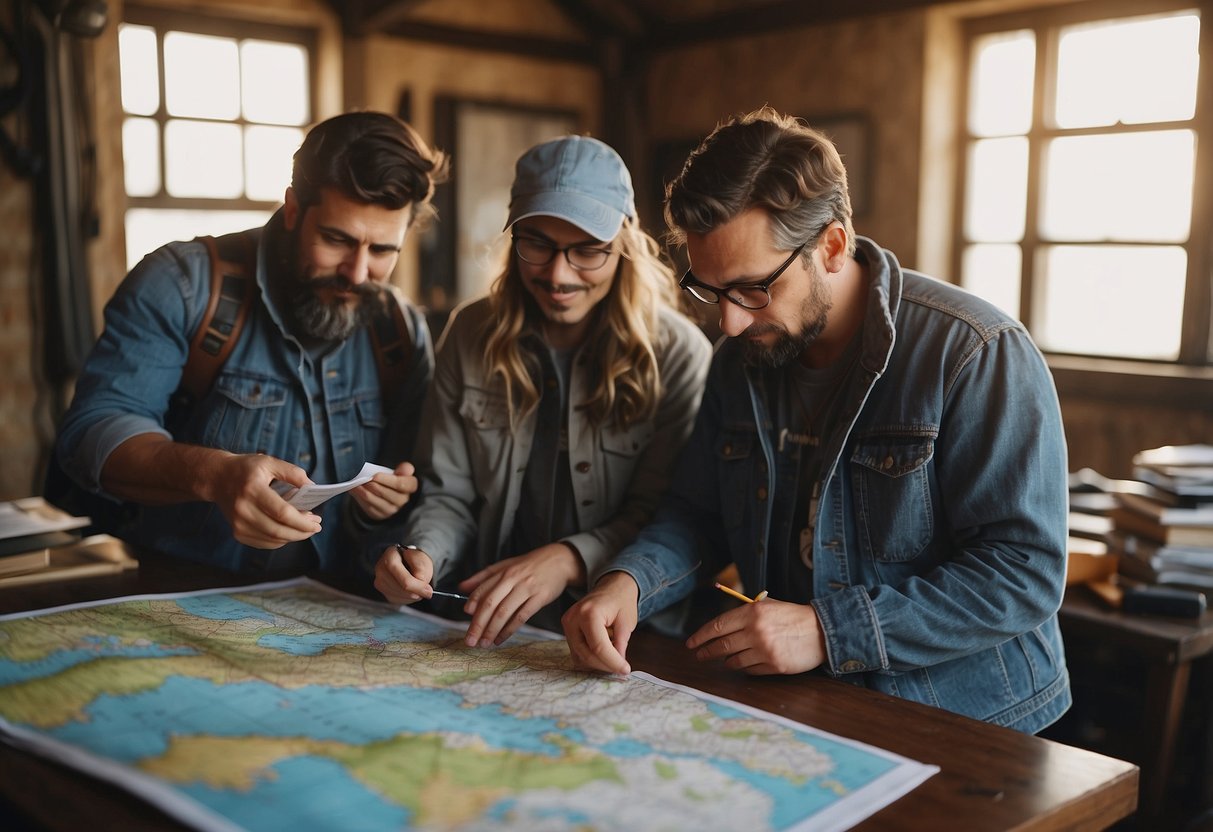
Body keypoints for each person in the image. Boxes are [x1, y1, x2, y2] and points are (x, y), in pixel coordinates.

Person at [561, 107, 1071, 735]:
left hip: (972, 721)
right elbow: (696, 516)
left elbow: (1022, 572)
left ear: (830, 246)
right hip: (812, 710)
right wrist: (629, 583)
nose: (730, 323)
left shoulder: (974, 351)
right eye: (711, 290)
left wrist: (828, 631)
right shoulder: (739, 361)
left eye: (751, 289)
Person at [48, 111, 448, 576]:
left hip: (337, 620)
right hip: (180, 603)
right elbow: (91, 434)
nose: (357, 274)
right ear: (294, 209)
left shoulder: (400, 332)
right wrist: (214, 475)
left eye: (382, 251)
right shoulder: (183, 285)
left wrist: (387, 508)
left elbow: (425, 492)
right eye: (337, 240)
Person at [372, 135, 712, 648]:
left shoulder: (678, 354)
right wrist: (423, 553)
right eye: (537, 245)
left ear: (624, 242)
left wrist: (568, 559)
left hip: (632, 637)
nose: (558, 275)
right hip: (485, 625)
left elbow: (668, 516)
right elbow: (449, 494)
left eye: (587, 252)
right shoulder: (469, 334)